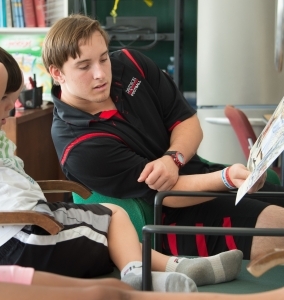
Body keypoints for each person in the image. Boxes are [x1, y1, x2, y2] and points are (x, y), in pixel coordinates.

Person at [0, 36, 243, 292]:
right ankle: (144, 274)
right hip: (20, 241)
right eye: (5, 99)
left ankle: (168, 267)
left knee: (114, 214)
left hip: (31, 224)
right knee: (109, 231)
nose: (13, 106)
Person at [0, 137, 284, 300]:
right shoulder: (78, 141)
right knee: (104, 284)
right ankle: (151, 266)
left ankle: (153, 269)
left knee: (109, 292)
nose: (100, 73)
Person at [41, 14, 284, 262]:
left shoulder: (130, 63)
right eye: (84, 66)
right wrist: (227, 178)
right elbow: (167, 195)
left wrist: (173, 159)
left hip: (202, 176)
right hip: (171, 221)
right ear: (57, 73)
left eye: (103, 58)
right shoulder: (78, 145)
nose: (101, 74)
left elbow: (187, 123)